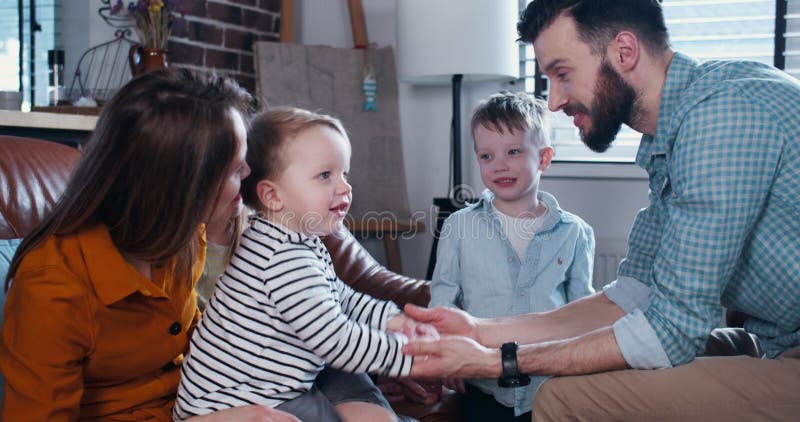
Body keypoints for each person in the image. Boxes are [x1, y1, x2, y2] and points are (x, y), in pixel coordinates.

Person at [402, 0, 800, 420]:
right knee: (591, 367)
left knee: (562, 398)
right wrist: (479, 331)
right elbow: (628, 299)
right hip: (774, 341)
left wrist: (496, 361)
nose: (553, 102)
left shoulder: (721, 119)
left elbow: (671, 332)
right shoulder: (675, 137)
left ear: (624, 53)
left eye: (563, 74)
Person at [0, 69, 300, 421]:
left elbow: (197, 341)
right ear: (184, 188)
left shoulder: (183, 237)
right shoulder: (53, 288)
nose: (249, 173)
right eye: (235, 170)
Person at [174, 107, 436, 421]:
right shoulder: (280, 258)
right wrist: (410, 355)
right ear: (272, 195)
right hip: (238, 403)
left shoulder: (298, 240)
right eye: (325, 176)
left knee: (353, 387)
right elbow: (336, 340)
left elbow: (345, 300)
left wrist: (397, 321)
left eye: (344, 173)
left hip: (279, 385)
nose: (344, 188)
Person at [428, 91, 594, 420]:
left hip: (549, 386)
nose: (499, 165)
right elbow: (443, 297)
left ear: (544, 158)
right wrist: (444, 352)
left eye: (513, 151)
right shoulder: (459, 227)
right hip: (483, 384)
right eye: (486, 156)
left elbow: (582, 310)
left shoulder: (575, 232)